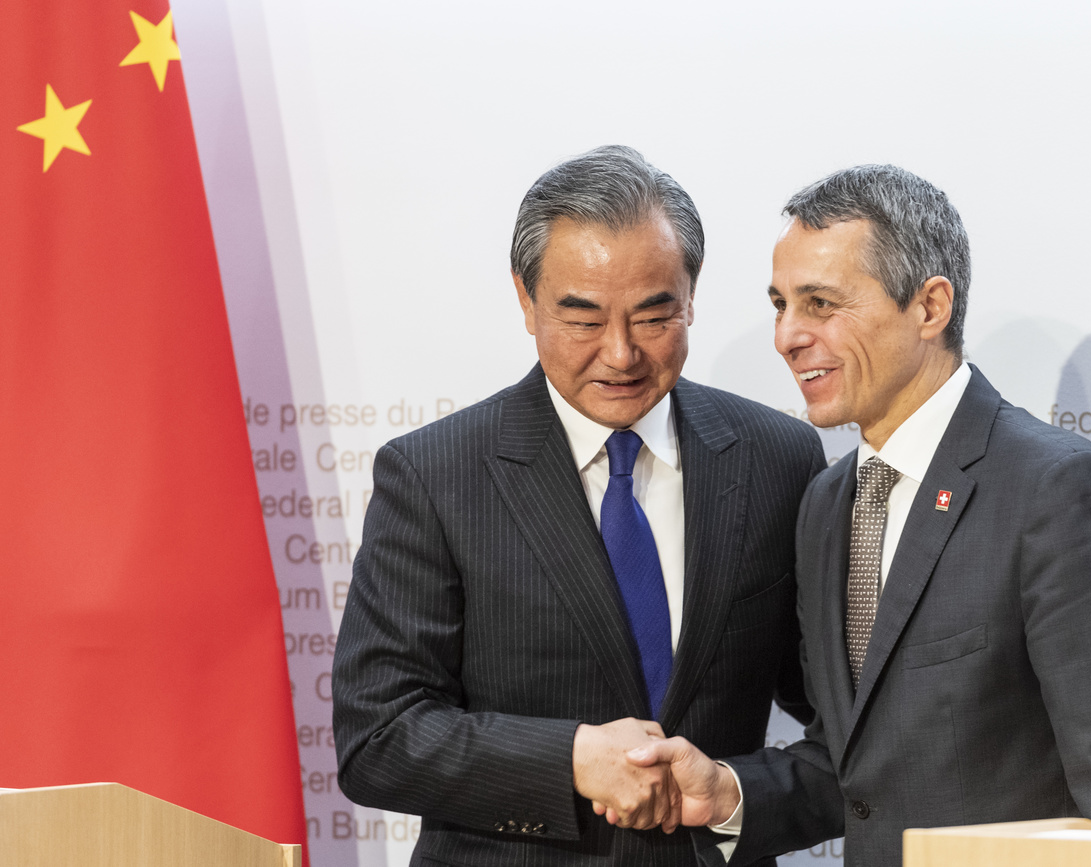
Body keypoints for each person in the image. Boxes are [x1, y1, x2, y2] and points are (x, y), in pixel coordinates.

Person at [627, 164, 1091, 866]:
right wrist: (729, 793)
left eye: (821, 303)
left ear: (929, 307)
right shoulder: (827, 504)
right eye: (780, 304)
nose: (787, 336)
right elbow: (860, 765)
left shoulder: (1056, 493)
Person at [331, 145, 830, 867]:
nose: (621, 354)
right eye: (584, 318)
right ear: (526, 301)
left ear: (691, 296)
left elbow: (844, 719)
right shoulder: (436, 474)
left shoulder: (778, 458)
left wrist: (732, 793)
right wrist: (568, 758)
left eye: (655, 315)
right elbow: (378, 736)